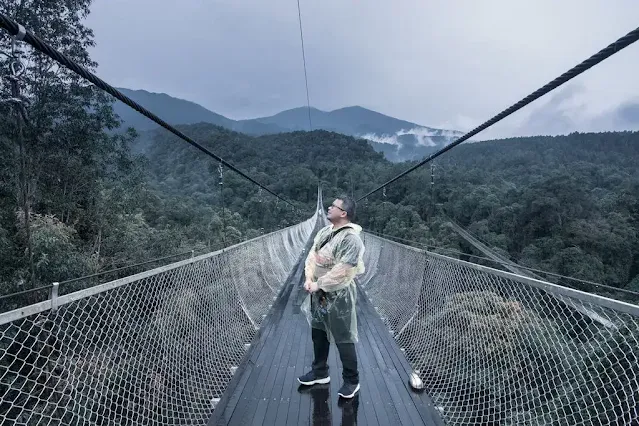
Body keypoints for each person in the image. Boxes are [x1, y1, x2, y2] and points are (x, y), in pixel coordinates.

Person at [298, 195, 365, 399]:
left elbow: (344, 270)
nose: (328, 207)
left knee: (343, 337)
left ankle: (351, 381)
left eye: (333, 206)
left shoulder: (351, 239)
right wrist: (309, 278)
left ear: (343, 213)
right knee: (318, 331)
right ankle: (320, 372)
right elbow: (312, 255)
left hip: (339, 295)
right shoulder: (325, 231)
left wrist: (318, 284)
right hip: (318, 292)